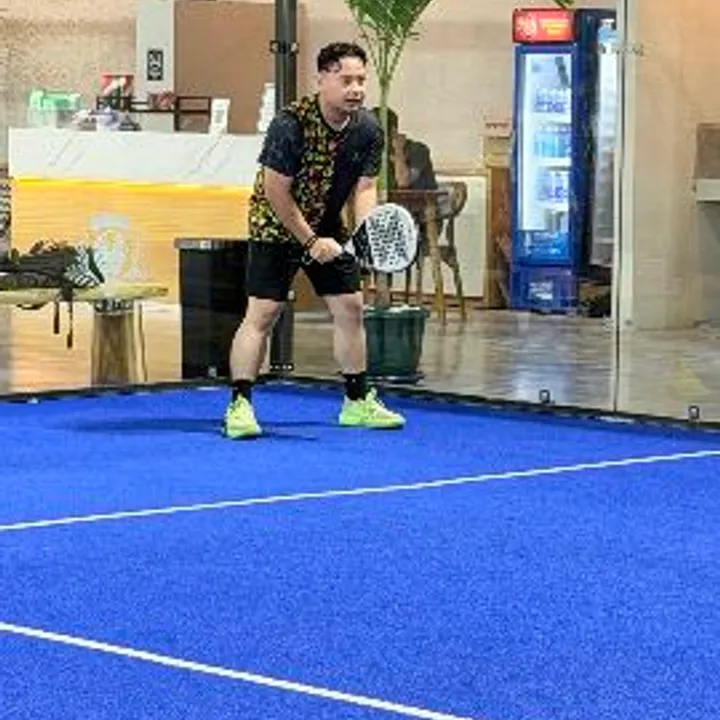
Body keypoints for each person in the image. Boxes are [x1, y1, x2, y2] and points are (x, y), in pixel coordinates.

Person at [224, 41, 405, 440]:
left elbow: (365, 188)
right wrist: (309, 242)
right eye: (346, 80)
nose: (356, 89)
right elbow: (275, 190)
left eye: (361, 80)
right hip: (275, 224)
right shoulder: (290, 124)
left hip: (328, 226)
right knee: (263, 314)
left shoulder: (368, 129)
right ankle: (240, 406)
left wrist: (365, 234)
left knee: (351, 308)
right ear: (322, 79)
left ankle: (356, 403)